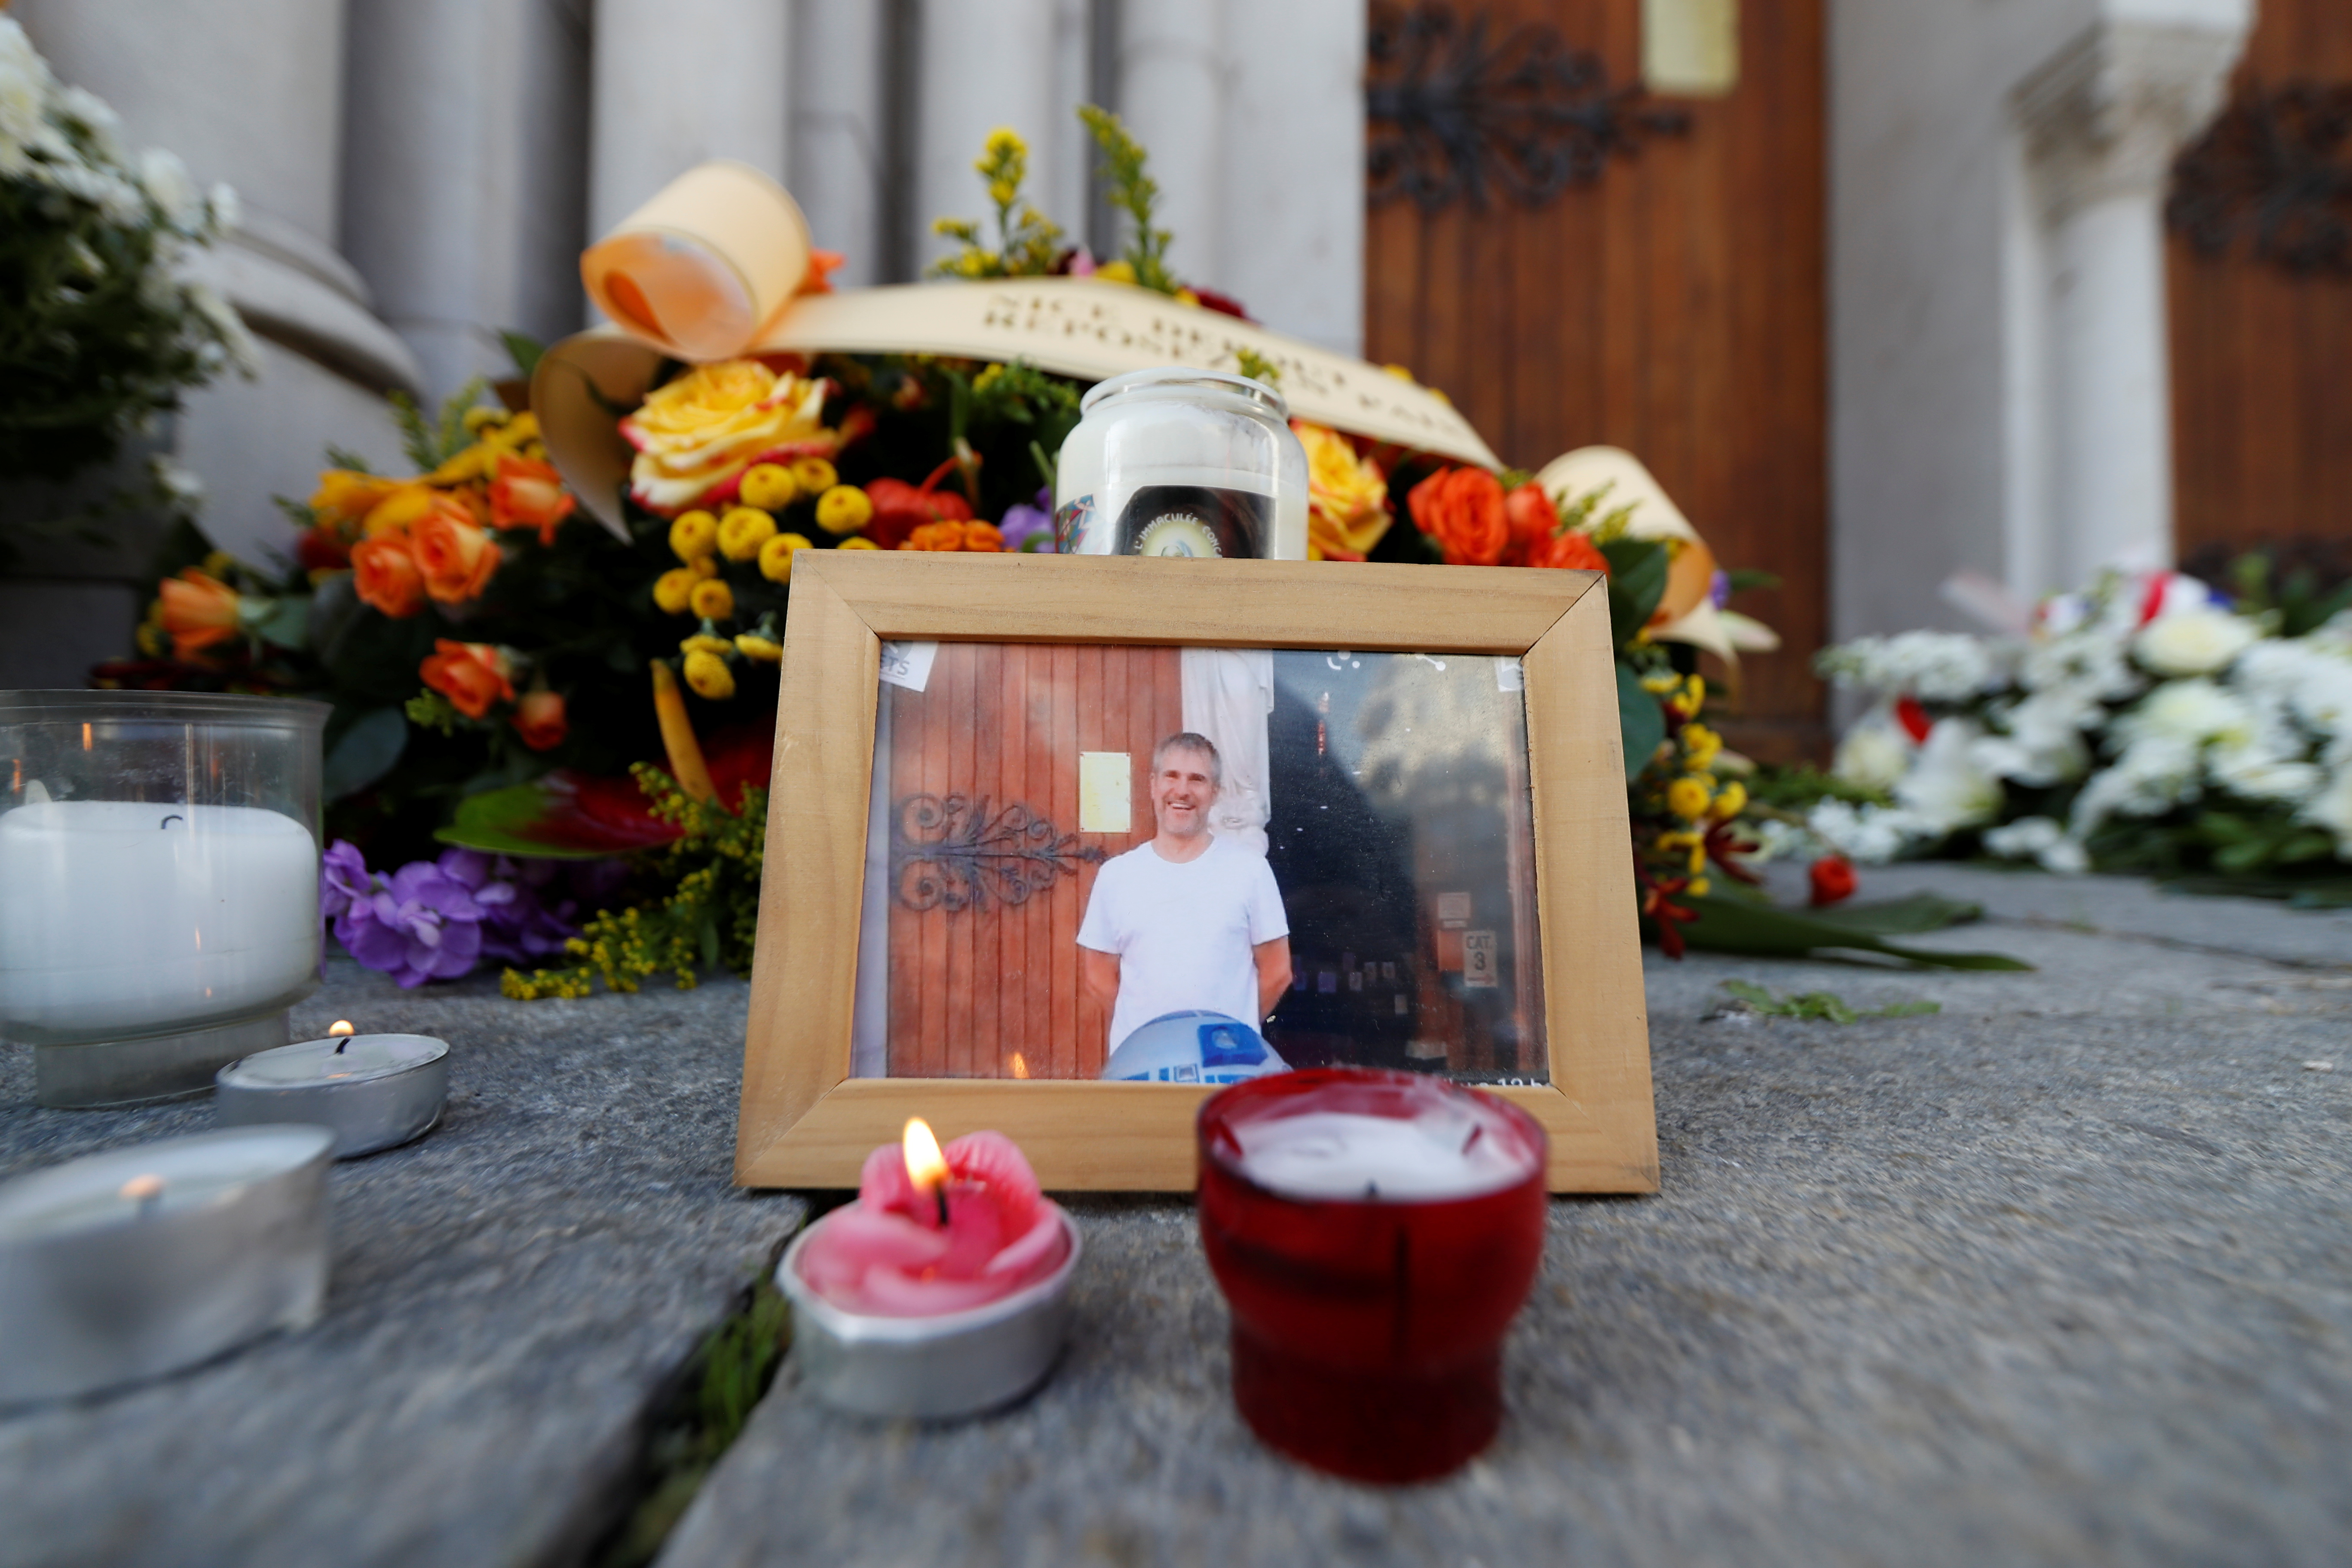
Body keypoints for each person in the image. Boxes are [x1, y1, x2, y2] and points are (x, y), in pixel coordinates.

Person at [1078, 732, 1292, 1054]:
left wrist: (1232, 1034)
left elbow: (1278, 973)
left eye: (1197, 780)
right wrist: (1152, 1034)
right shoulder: (1116, 876)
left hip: (1228, 1067)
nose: (1182, 791)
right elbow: (1098, 977)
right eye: (1172, 777)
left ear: (1215, 792)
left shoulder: (1251, 872)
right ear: (1153, 785)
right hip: (1142, 1067)